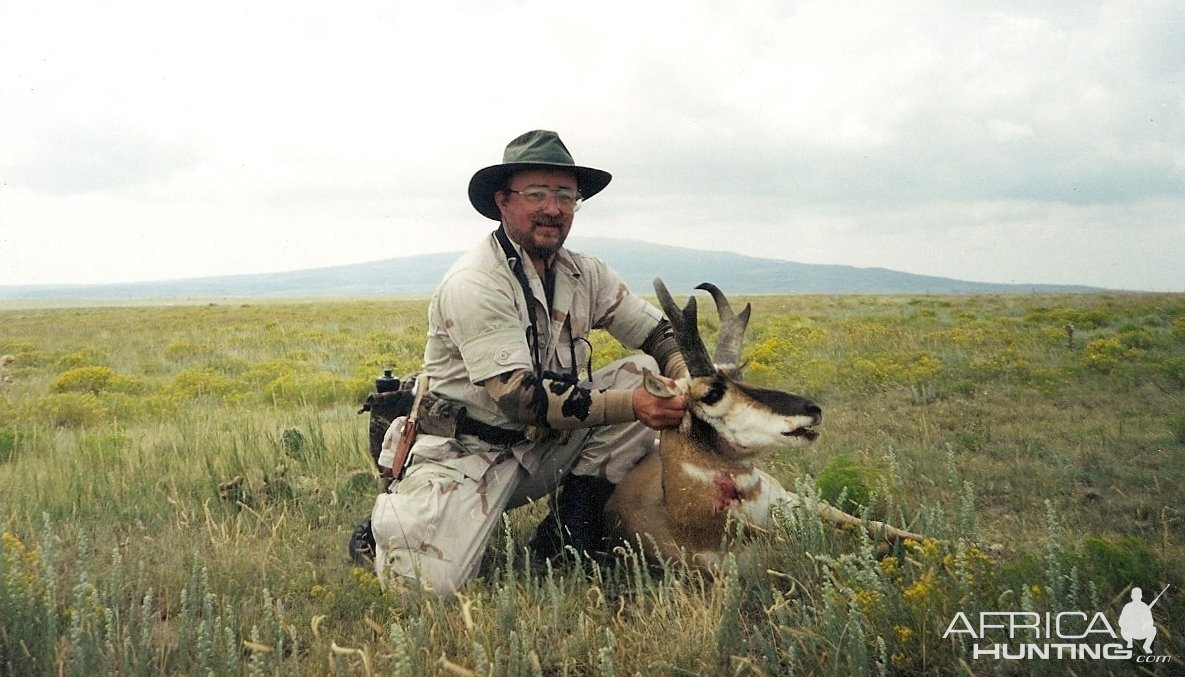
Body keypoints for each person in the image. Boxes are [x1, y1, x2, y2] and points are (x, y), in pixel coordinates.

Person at [361, 130, 689, 595]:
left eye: (565, 196)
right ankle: (386, 527)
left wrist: (682, 376)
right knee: (423, 589)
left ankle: (567, 536)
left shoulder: (585, 273)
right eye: (536, 194)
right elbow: (520, 397)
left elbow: (657, 333)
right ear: (502, 201)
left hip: (541, 448)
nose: (553, 209)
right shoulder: (476, 282)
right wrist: (636, 406)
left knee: (646, 373)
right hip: (467, 454)